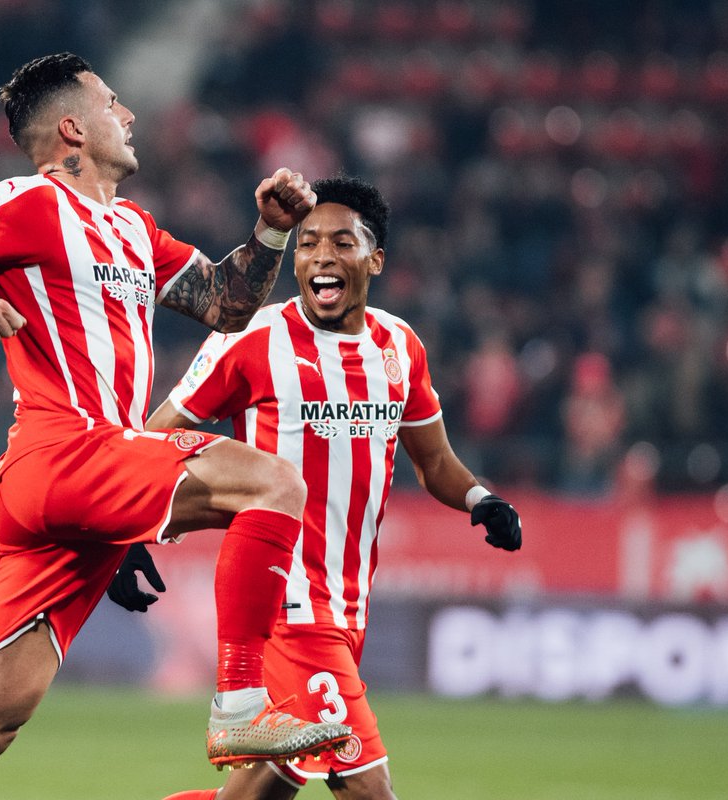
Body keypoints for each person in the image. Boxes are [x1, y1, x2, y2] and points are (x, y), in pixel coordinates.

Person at [0, 53, 354, 800]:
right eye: (112, 103)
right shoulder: (30, 201)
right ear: (72, 128)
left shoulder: (133, 228)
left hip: (82, 486)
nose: (127, 115)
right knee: (274, 484)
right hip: (63, 450)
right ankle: (239, 707)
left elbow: (226, 305)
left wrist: (270, 231)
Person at [106, 175, 522, 800]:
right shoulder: (252, 338)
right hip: (286, 605)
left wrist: (480, 499)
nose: (321, 256)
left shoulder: (399, 347)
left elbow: (434, 461)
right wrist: (127, 533)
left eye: (342, 243)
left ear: (374, 260)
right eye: (307, 244)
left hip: (350, 607)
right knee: (369, 790)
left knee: (257, 794)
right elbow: (155, 436)